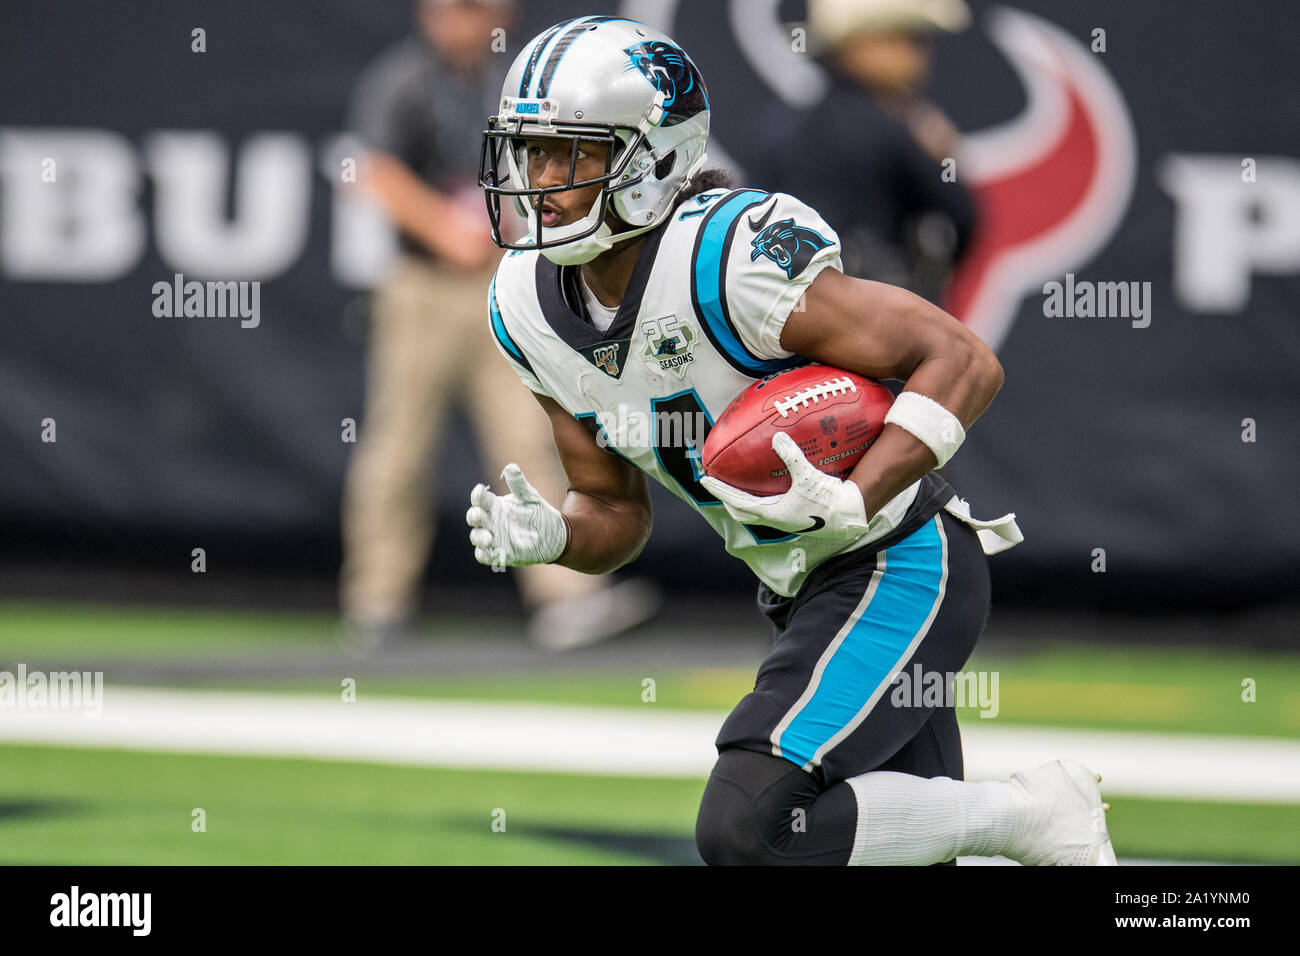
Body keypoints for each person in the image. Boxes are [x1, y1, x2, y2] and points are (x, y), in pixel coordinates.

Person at [467, 16, 1116, 865]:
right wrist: (557, 535)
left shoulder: (727, 256)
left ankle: (1035, 815)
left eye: (571, 155)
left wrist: (856, 496)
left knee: (752, 827)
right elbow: (612, 512)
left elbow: (960, 357)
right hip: (800, 589)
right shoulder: (525, 306)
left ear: (654, 155)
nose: (540, 182)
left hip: (898, 560)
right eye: (530, 153)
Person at [339, 0, 658, 652]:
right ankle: (376, 602)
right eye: (456, 8)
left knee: (533, 438)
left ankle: (566, 598)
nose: (465, 20)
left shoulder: (515, 80)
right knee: (398, 446)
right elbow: (368, 169)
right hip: (424, 286)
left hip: (506, 281)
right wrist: (443, 228)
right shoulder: (403, 78)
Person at [757, 0, 977, 304]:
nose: (922, 55)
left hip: (787, 323)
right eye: (906, 39)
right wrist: (945, 158)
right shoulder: (895, 128)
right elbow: (963, 217)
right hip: (877, 321)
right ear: (861, 45)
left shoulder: (782, 126)